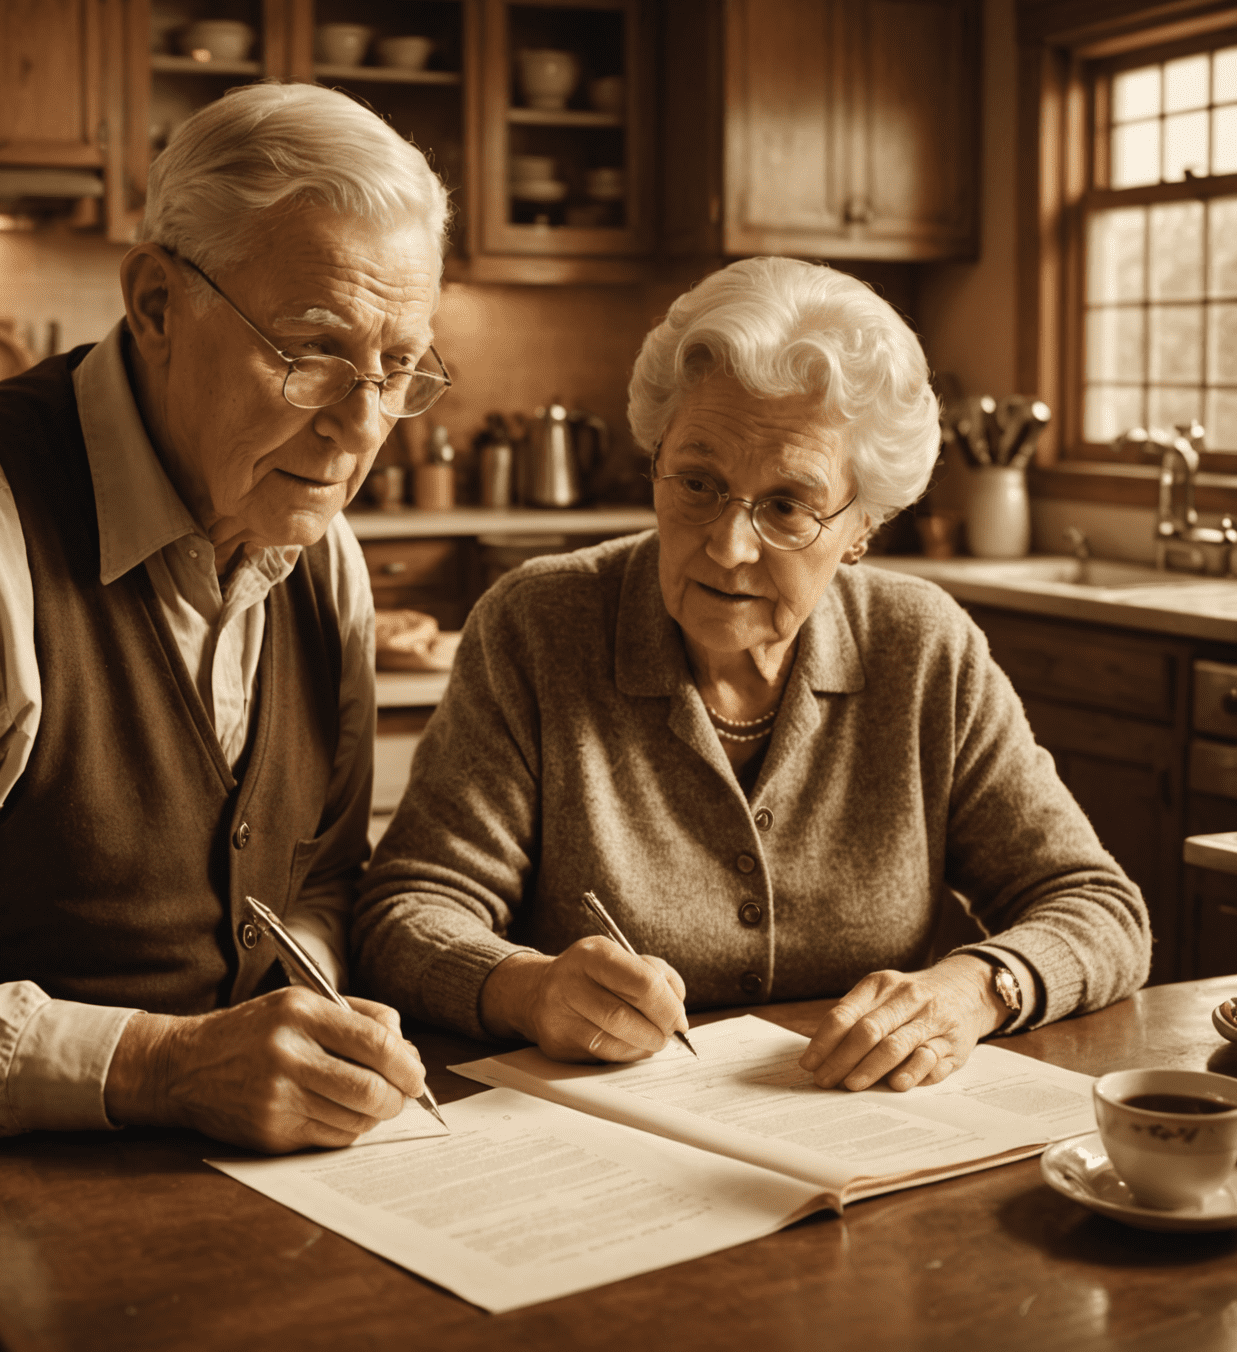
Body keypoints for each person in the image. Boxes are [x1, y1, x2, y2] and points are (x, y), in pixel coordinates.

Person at [0, 82, 451, 1348]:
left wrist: (327, 1015)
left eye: (400, 368)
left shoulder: (312, 547)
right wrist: (165, 1066)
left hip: (198, 1231)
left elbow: (319, 884)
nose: (361, 424)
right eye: (314, 349)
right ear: (156, 302)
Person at [354, 256, 1151, 1095]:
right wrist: (525, 988)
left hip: (869, 1141)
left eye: (786, 506)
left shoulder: (923, 648)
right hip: (605, 1144)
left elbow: (1097, 906)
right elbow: (405, 914)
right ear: (655, 460)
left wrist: (977, 988)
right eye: (698, 483)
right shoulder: (538, 628)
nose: (729, 548)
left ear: (862, 527)